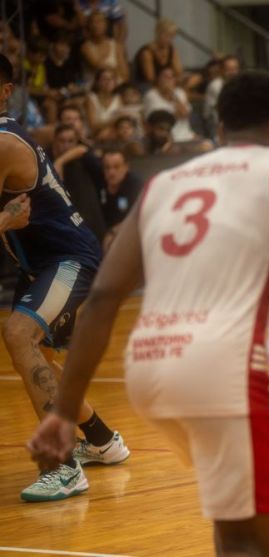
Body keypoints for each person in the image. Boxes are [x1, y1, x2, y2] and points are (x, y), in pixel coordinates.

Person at [27, 70, 269, 555]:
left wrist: (65, 411)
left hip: (149, 370)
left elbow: (104, 297)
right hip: (224, 371)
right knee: (258, 542)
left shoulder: (164, 183)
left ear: (219, 129)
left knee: (234, 522)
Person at [0, 54, 128, 503]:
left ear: (5, 91)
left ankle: (63, 466)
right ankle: (103, 440)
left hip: (68, 258)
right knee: (38, 357)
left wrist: (5, 220)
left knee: (19, 336)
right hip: (41, 263)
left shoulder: (3, 142)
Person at [97, 149, 141, 249]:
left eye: (116, 167)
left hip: (129, 234)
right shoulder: (100, 184)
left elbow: (137, 217)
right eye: (107, 168)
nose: (111, 172)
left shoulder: (135, 184)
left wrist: (113, 232)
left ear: (126, 167)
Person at [143, 66, 196, 142]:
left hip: (186, 136)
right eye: (165, 77)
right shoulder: (151, 95)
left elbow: (184, 114)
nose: (169, 80)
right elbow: (158, 120)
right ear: (158, 79)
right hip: (164, 139)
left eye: (171, 77)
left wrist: (173, 94)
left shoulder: (180, 93)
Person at [79, 11, 128, 87]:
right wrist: (115, 69)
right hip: (94, 87)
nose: (96, 25)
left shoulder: (116, 46)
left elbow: (125, 74)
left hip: (116, 86)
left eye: (99, 21)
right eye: (92, 22)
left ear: (106, 25)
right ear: (89, 26)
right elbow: (99, 68)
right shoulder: (86, 47)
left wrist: (111, 70)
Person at [134, 19, 183, 87]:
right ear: (157, 33)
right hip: (148, 86)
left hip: (167, 83)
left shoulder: (171, 49)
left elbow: (179, 72)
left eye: (172, 36)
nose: (169, 39)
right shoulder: (146, 52)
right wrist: (169, 81)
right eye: (166, 35)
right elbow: (150, 78)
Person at [204, 55, 240, 137]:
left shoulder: (239, 83)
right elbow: (223, 109)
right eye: (229, 69)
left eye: (235, 69)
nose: (233, 72)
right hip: (215, 124)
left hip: (234, 124)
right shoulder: (215, 85)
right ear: (221, 71)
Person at [84, 68, 120, 139]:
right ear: (97, 82)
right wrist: (113, 121)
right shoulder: (91, 99)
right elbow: (92, 126)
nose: (109, 82)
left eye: (112, 78)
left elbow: (121, 122)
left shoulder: (119, 98)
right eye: (104, 79)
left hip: (113, 134)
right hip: (94, 136)